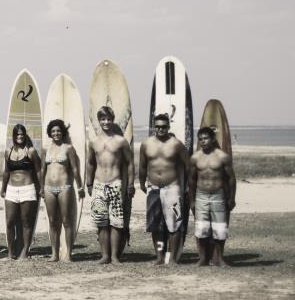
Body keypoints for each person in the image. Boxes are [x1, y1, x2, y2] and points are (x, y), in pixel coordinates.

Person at [85, 106, 135, 264]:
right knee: (102, 222)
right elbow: (90, 163)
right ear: (99, 121)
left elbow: (130, 163)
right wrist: (89, 183)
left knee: (116, 222)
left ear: (112, 120)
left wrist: (130, 184)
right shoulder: (94, 142)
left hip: (115, 184)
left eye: (108, 119)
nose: (106, 122)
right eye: (103, 119)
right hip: (99, 185)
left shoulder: (121, 141)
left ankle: (114, 256)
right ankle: (105, 255)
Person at [139, 113, 189, 265]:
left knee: (174, 225)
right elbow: (142, 166)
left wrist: (187, 186)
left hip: (172, 188)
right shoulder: (146, 144)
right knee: (156, 226)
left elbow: (189, 166)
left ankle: (172, 258)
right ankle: (160, 257)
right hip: (153, 189)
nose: (160, 129)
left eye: (163, 127)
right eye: (158, 126)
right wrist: (141, 183)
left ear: (168, 126)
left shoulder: (176, 144)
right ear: (154, 127)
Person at [189, 127, 236, 266]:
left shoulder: (222, 156)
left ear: (213, 139)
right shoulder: (195, 158)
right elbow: (191, 180)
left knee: (220, 228)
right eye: (200, 139)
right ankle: (203, 258)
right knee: (201, 228)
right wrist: (191, 200)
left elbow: (231, 178)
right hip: (201, 195)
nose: (203, 141)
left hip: (218, 195)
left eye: (206, 138)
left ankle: (219, 258)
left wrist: (232, 198)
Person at [41, 119, 85, 262]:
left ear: (63, 132)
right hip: (48, 188)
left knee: (66, 221)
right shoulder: (45, 149)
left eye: (58, 130)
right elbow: (42, 170)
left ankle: (68, 254)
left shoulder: (68, 148)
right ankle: (54, 254)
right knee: (52, 221)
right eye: (53, 131)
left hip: (64, 187)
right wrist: (41, 187)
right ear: (50, 133)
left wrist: (80, 187)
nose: (56, 133)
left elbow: (75, 169)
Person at [0, 123, 42, 260]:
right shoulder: (8, 151)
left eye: (22, 134)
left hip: (27, 189)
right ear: (13, 136)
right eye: (17, 134)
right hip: (11, 189)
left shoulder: (31, 151)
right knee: (9, 222)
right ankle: (10, 252)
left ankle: (25, 252)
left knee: (26, 222)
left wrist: (41, 187)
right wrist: (3, 188)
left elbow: (38, 170)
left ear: (25, 135)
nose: (20, 136)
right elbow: (6, 172)